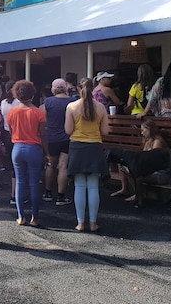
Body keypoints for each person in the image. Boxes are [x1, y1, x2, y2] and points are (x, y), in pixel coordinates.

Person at [65, 77, 110, 233]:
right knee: (93, 187)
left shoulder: (71, 107)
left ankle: (80, 223)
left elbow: (68, 130)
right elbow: (105, 131)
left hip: (77, 147)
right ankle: (93, 223)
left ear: (79, 89)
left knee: (79, 186)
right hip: (94, 147)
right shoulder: (101, 108)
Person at [8, 80, 47, 227]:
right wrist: (46, 151)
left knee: (20, 182)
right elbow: (43, 134)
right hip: (34, 148)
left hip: (17, 148)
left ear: (17, 95)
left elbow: (11, 131)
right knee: (34, 183)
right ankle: (35, 217)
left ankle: (20, 216)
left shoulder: (12, 112)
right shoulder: (38, 112)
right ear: (32, 94)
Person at [112, 119, 168, 199]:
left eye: (143, 130)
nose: (141, 133)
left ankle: (138, 194)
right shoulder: (148, 141)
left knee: (134, 171)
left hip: (160, 174)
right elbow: (144, 156)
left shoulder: (157, 142)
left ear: (149, 129)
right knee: (122, 164)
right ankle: (125, 189)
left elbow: (152, 160)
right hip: (150, 171)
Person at [43, 78, 76, 205]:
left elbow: (43, 120)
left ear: (54, 89)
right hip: (67, 137)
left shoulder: (48, 101)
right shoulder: (72, 101)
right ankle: (61, 196)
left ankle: (48, 192)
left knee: (51, 165)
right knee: (63, 166)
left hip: (52, 137)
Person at [0, 80, 17, 205]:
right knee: (19, 166)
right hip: (18, 134)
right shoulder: (19, 103)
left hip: (6, 134)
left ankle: (13, 193)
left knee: (12, 164)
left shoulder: (3, 103)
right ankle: (16, 194)